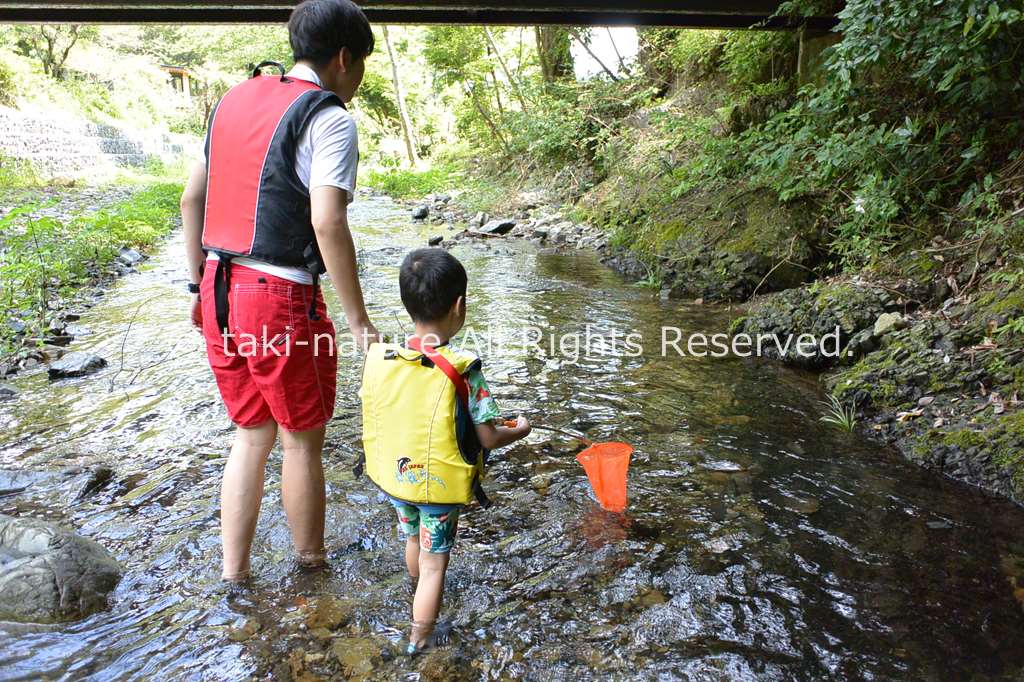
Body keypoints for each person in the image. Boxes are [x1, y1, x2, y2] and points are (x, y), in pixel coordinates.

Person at [179, 0, 380, 582]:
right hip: (279, 296)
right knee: (300, 441)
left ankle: (233, 573)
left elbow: (193, 199)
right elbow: (327, 222)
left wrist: (196, 283)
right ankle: (311, 570)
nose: (359, 80)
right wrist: (359, 319)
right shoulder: (329, 117)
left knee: (250, 434)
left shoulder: (232, 102)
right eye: (361, 65)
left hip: (217, 284)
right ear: (344, 58)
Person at [359, 248, 531, 653]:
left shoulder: (384, 357)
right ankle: (419, 637)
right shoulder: (465, 369)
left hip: (397, 480)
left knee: (414, 543)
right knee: (437, 564)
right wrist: (520, 431)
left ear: (407, 306)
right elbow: (488, 437)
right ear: (459, 306)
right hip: (437, 486)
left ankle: (414, 589)